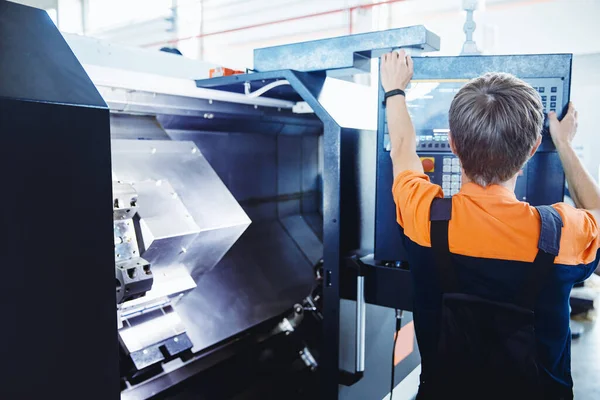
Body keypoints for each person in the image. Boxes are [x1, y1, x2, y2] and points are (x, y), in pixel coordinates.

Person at [380, 50, 600, 399]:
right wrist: (564, 144)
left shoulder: (424, 216)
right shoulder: (563, 233)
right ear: (532, 149)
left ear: (452, 144)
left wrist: (394, 90)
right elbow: (596, 207)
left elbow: (402, 148)